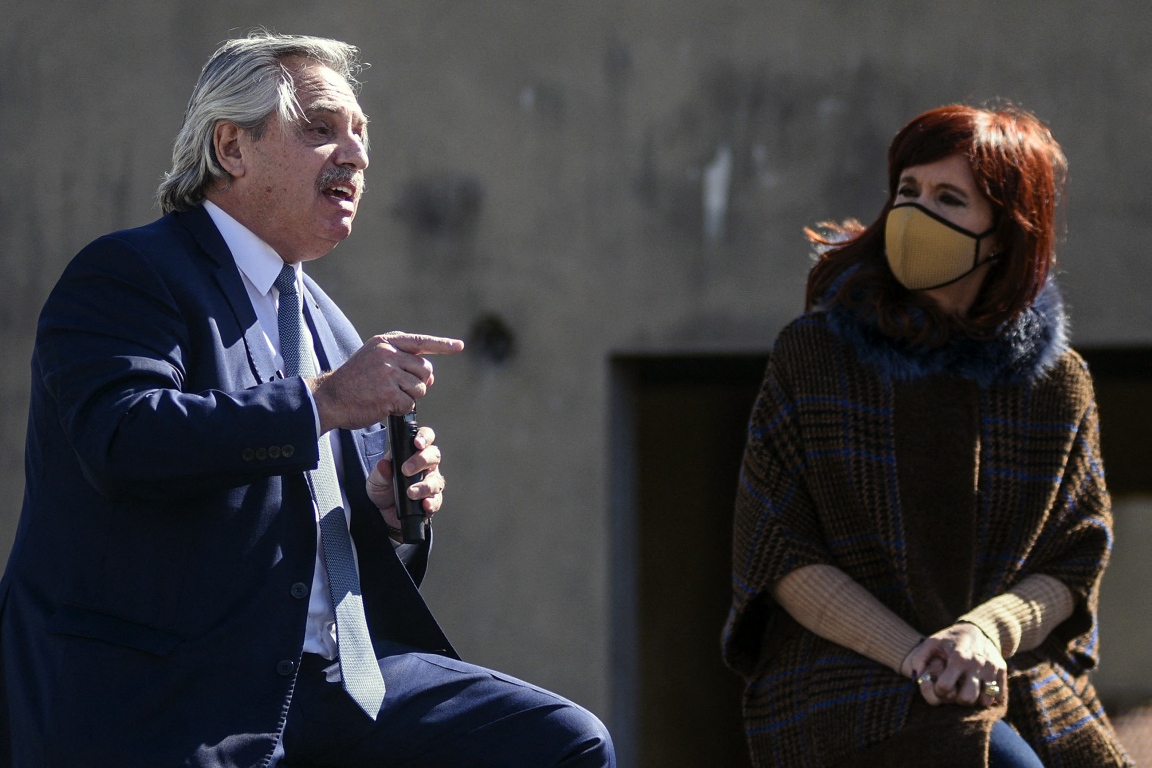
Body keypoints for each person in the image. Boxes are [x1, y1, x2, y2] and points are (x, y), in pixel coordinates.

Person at [0, 32, 614, 768]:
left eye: (361, 134)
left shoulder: (324, 317)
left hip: (336, 681)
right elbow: (123, 439)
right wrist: (323, 400)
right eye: (321, 129)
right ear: (232, 147)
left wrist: (384, 512)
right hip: (172, 690)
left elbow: (307, 523)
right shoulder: (130, 274)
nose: (354, 155)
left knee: (563, 744)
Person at [722, 104, 1134, 767]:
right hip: (846, 679)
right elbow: (778, 549)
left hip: (1011, 671)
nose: (916, 214)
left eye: (949, 198)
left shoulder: (1058, 385)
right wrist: (916, 655)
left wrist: (981, 633)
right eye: (907, 192)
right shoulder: (816, 357)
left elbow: (1074, 560)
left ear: (1002, 233)